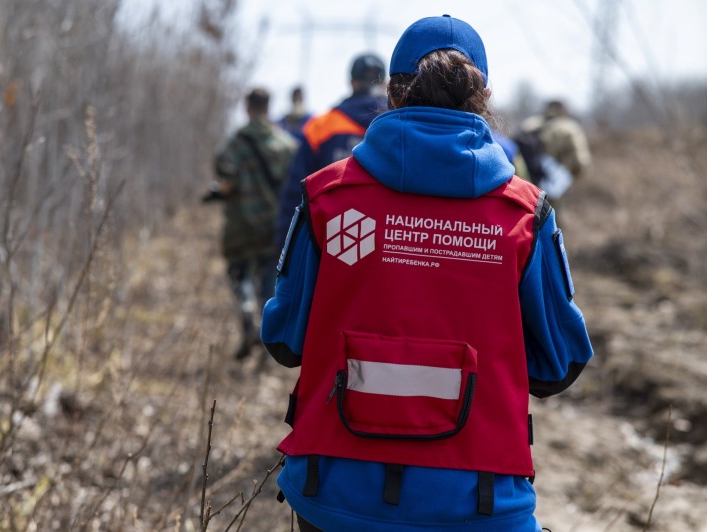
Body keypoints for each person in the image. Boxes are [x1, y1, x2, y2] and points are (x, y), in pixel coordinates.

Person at [261, 14, 593, 531]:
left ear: (391, 94)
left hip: (333, 494)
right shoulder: (526, 215)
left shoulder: (326, 198)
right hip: (478, 504)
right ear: (484, 96)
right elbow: (558, 366)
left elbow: (284, 341)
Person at [210, 87, 296, 360]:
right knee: (269, 284)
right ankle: (266, 338)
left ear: (248, 107)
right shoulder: (286, 145)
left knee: (240, 274)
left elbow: (223, 172)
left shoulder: (234, 143)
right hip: (273, 227)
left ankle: (246, 312)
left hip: (240, 225)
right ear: (268, 107)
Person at [275, 53, 389, 247]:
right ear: (384, 83)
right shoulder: (400, 125)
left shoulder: (320, 127)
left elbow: (297, 191)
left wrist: (285, 244)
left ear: (352, 82)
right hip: (389, 242)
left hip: (331, 241)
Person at [516, 100, 591, 224]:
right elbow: (581, 162)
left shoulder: (528, 125)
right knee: (555, 225)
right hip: (555, 187)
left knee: (529, 225)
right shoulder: (569, 128)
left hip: (528, 186)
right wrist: (569, 178)